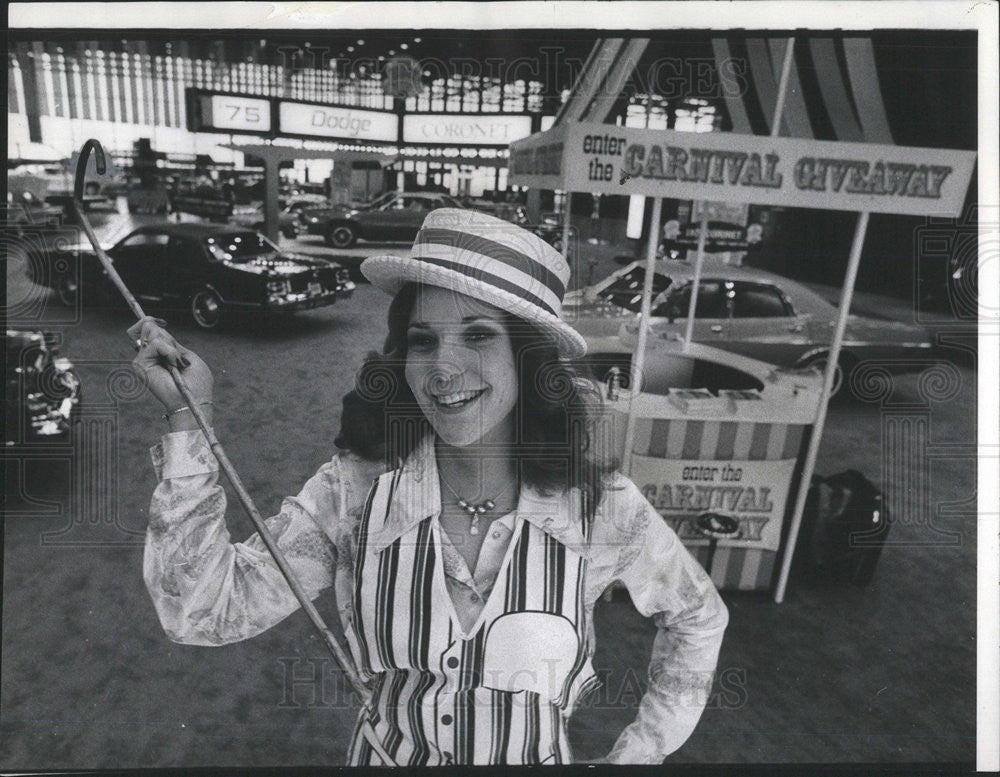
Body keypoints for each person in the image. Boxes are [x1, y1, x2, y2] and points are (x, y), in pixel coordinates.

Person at [133, 208, 728, 766]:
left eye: (477, 336)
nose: (442, 368)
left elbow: (697, 618)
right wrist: (191, 418)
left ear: (528, 358)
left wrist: (641, 752)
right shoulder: (355, 495)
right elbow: (201, 610)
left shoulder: (601, 508)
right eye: (423, 340)